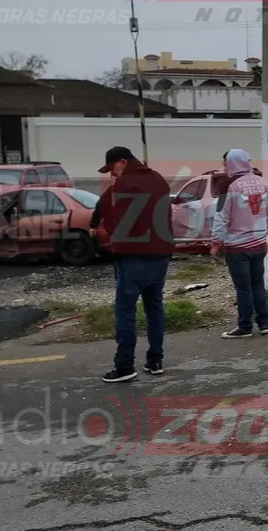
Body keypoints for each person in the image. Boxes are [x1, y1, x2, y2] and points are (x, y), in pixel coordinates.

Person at [94, 146, 175, 383]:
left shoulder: (123, 185)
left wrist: (112, 247)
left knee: (125, 311)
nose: (113, 174)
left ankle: (124, 366)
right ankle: (155, 360)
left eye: (112, 169)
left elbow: (114, 220)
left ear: (122, 162)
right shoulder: (159, 179)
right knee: (154, 307)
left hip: (134, 256)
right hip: (161, 255)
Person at [211, 149, 268, 339]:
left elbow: (221, 218)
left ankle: (245, 326)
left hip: (237, 247)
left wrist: (215, 243)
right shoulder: (263, 182)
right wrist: (265, 231)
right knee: (257, 283)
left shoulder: (228, 186)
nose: (224, 168)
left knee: (243, 288)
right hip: (259, 243)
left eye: (225, 164)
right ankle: (264, 323)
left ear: (231, 164)